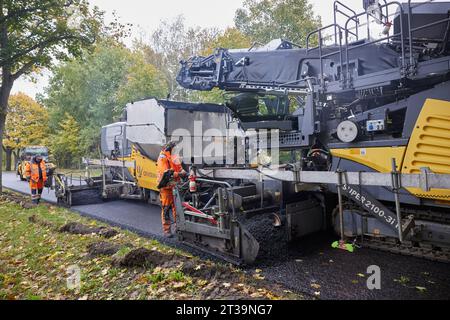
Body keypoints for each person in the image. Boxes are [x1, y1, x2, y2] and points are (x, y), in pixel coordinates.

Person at [156, 141, 187, 238]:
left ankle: (178, 227)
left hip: (175, 186)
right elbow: (165, 173)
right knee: (166, 208)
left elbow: (179, 167)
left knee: (177, 208)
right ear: (170, 148)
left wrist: (182, 171)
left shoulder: (174, 156)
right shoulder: (163, 157)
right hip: (166, 187)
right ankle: (167, 230)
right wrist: (179, 174)